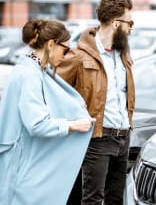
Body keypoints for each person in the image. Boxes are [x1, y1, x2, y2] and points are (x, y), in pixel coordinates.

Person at [0, 19, 96, 205]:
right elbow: (37, 124)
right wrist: (73, 125)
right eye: (65, 49)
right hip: (19, 167)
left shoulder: (30, 69)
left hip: (18, 160)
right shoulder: (30, 75)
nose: (66, 55)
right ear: (51, 44)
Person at [57, 0, 135, 204]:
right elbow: (53, 92)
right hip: (98, 139)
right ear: (116, 23)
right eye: (130, 23)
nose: (131, 29)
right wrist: (72, 122)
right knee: (92, 199)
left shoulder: (122, 54)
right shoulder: (79, 56)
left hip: (124, 136)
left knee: (116, 199)